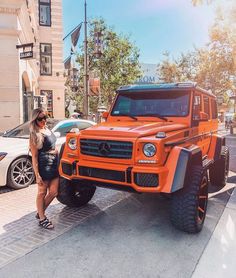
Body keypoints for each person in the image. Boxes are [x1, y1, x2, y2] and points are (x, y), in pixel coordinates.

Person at [29, 108, 59, 229]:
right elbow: (34, 156)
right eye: (40, 119)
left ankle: (39, 212)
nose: (43, 120)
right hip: (43, 164)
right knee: (42, 192)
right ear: (35, 120)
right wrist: (37, 175)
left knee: (54, 192)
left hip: (54, 163)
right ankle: (42, 218)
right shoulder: (34, 134)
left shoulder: (47, 129)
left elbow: (54, 146)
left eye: (45, 117)